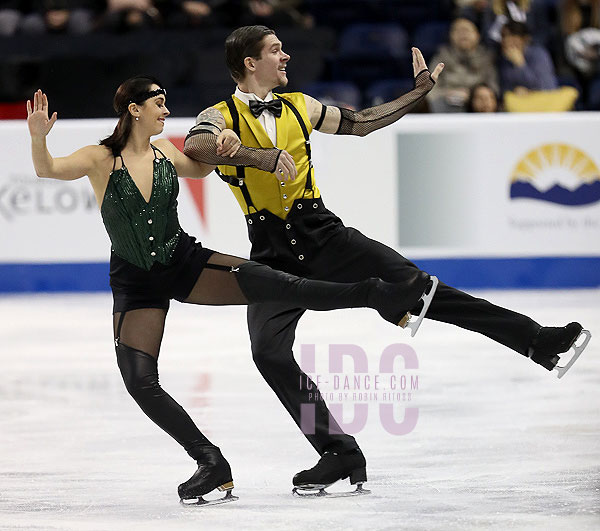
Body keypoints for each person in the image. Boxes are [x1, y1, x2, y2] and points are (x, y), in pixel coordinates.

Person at [183, 25, 590, 495]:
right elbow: (195, 145)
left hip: (325, 235)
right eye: (276, 50)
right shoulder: (220, 114)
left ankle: (536, 340)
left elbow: (362, 122)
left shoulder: (300, 105)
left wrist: (418, 93)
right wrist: (257, 156)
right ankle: (338, 452)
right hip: (271, 253)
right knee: (267, 352)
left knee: (422, 289)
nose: (286, 55)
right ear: (250, 63)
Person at [26, 77, 436, 504]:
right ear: (133, 109)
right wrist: (39, 139)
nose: (166, 111)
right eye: (159, 103)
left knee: (283, 286)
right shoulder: (99, 157)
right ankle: (209, 461)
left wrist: (226, 139)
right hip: (135, 281)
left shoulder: (167, 150)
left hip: (185, 262)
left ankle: (374, 293)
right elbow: (47, 169)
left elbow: (203, 167)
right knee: (139, 380)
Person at [428, 17, 499, 113]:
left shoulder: (486, 58)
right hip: (447, 105)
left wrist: (473, 96)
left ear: (477, 35)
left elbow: (494, 88)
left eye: (467, 30)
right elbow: (429, 90)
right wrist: (447, 93)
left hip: (478, 107)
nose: (463, 34)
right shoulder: (441, 56)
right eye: (458, 31)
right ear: (451, 35)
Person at [499, 20, 558, 94]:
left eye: (512, 36)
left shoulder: (538, 55)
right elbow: (503, 89)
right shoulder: (504, 60)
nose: (506, 40)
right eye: (503, 36)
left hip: (543, 103)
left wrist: (520, 64)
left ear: (525, 39)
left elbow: (546, 87)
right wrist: (513, 90)